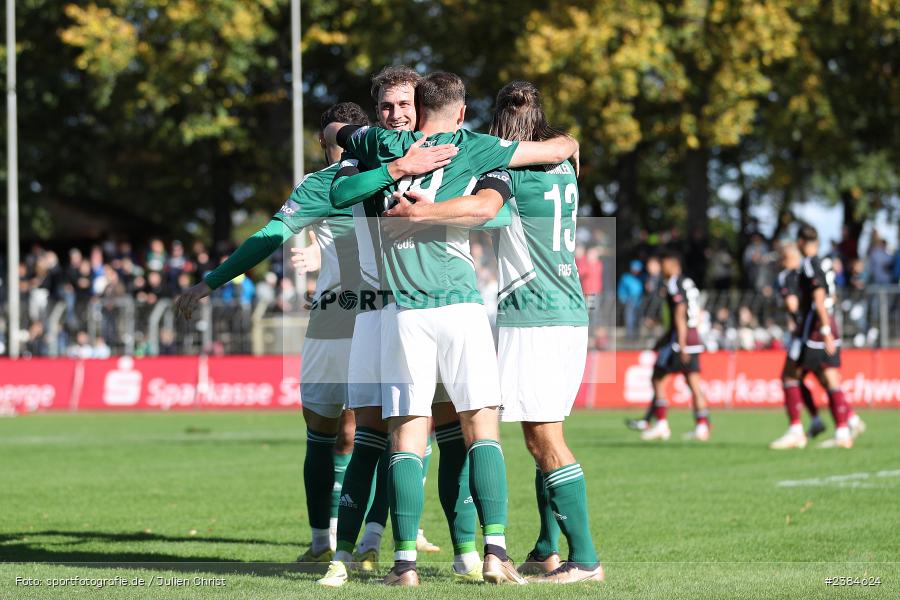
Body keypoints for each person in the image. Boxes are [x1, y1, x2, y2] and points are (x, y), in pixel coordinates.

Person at [324, 71, 579, 586]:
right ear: (461, 112)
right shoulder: (476, 146)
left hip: (403, 313)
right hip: (462, 308)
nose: (396, 114)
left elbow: (336, 140)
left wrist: (397, 173)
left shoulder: (376, 144)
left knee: (406, 436)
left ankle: (403, 565)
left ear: (417, 108)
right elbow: (507, 189)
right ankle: (492, 553)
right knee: (480, 430)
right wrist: (570, 144)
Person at [387, 80, 603, 584]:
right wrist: (569, 141)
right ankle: (547, 548)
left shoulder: (510, 174)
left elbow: (482, 209)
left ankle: (585, 558)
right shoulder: (563, 167)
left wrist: (419, 211)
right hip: (568, 308)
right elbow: (561, 147)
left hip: (533, 311)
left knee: (539, 437)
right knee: (541, 431)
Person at [174, 102, 370, 563]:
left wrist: (210, 282)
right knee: (344, 432)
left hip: (357, 319)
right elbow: (275, 237)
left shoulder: (357, 181)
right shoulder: (351, 181)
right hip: (352, 318)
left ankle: (354, 541)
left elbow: (271, 237)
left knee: (349, 433)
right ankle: (339, 541)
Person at [314, 66, 458, 588]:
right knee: (368, 433)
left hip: (432, 308)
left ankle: (468, 553)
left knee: (437, 434)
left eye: (405, 106)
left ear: (423, 108)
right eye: (386, 107)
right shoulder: (369, 151)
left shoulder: (451, 151)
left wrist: (566, 142)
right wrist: (397, 165)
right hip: (376, 313)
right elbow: (338, 172)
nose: (396, 115)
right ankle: (348, 552)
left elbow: (497, 200)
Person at [792, 224, 865, 449]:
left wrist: (824, 331)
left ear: (801, 242)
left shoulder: (810, 263)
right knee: (827, 376)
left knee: (792, 374)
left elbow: (819, 297)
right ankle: (847, 424)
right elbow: (831, 295)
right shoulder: (826, 261)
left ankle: (801, 428)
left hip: (818, 325)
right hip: (829, 321)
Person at [638, 249, 710, 442]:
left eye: (664, 264)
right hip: (694, 337)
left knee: (657, 378)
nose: (661, 269)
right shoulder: (688, 282)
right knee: (693, 383)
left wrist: (681, 343)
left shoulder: (674, 283)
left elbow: (679, 314)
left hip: (680, 340)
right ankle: (702, 425)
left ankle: (661, 424)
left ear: (672, 264)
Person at [769, 243, 826, 449]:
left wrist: (793, 319)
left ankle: (796, 430)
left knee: (789, 377)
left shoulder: (786, 276)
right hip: (817, 330)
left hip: (803, 333)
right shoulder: (806, 272)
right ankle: (842, 420)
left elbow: (792, 304)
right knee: (817, 376)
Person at [618, 260, 644, 341]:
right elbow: (621, 290)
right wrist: (623, 299)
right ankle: (629, 336)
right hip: (629, 301)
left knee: (638, 319)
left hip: (639, 301)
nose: (636, 271)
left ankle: (637, 336)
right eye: (634, 269)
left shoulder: (642, 278)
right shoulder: (626, 278)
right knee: (629, 319)